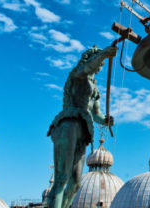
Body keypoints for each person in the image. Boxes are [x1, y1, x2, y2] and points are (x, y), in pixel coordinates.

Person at [47, 46, 117, 208]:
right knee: (62, 178)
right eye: (99, 62)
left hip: (83, 131)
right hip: (69, 124)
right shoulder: (77, 74)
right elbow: (87, 68)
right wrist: (104, 54)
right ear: (92, 59)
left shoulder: (94, 88)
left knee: (76, 183)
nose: (101, 66)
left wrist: (106, 120)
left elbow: (96, 114)